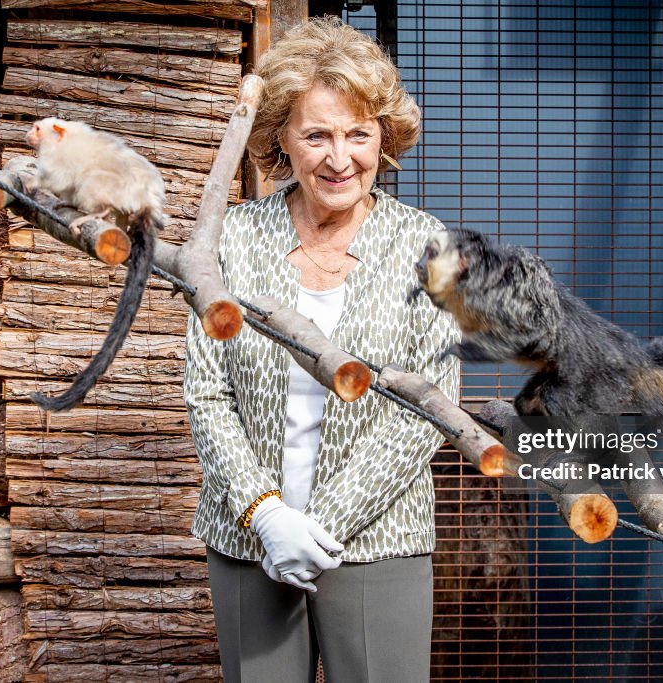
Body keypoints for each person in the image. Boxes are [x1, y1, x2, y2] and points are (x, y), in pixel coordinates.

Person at [183, 16, 460, 683]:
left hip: (378, 542)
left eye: (358, 133)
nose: (341, 158)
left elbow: (432, 400)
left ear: (383, 136)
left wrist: (322, 524)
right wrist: (267, 514)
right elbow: (206, 390)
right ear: (280, 137)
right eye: (317, 135)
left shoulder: (425, 242)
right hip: (250, 541)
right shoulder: (234, 238)